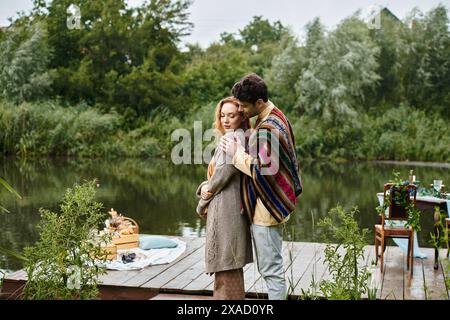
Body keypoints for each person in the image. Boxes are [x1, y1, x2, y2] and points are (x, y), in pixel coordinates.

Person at [219, 73, 302, 300]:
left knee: (271, 272)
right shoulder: (276, 115)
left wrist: (236, 154)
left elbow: (262, 171)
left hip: (266, 210)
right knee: (272, 269)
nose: (241, 110)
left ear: (259, 103)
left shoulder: (268, 128)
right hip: (268, 206)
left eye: (244, 106)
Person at [196, 96, 253, 300]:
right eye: (222, 115)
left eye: (231, 115)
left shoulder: (235, 139)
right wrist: (205, 186)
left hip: (228, 211)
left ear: (241, 116)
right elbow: (216, 175)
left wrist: (202, 202)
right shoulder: (232, 136)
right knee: (227, 267)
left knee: (227, 265)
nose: (226, 119)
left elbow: (224, 173)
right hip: (227, 207)